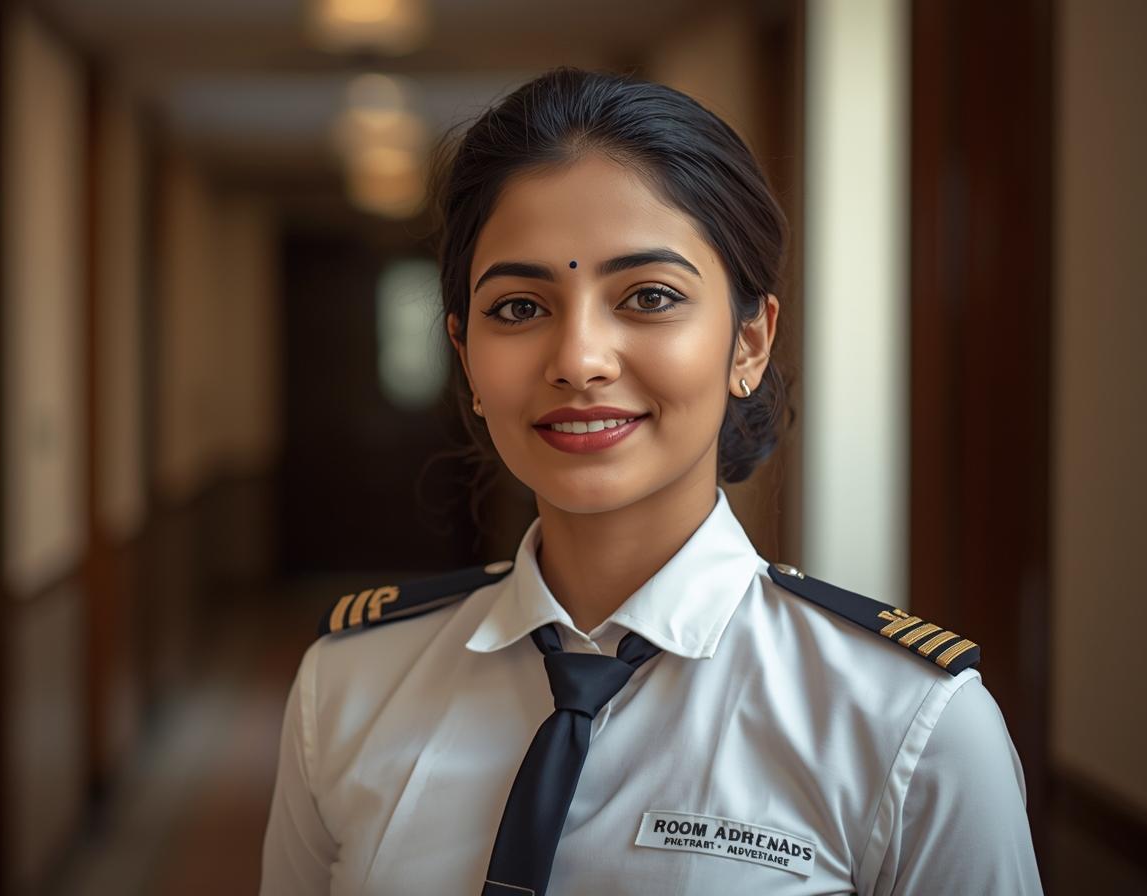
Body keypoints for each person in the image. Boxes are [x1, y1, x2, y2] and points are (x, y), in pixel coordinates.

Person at [260, 67, 1042, 895]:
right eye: (520, 308)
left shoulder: (907, 728)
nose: (579, 360)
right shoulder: (348, 686)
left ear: (749, 342)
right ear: (467, 359)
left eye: (650, 296)